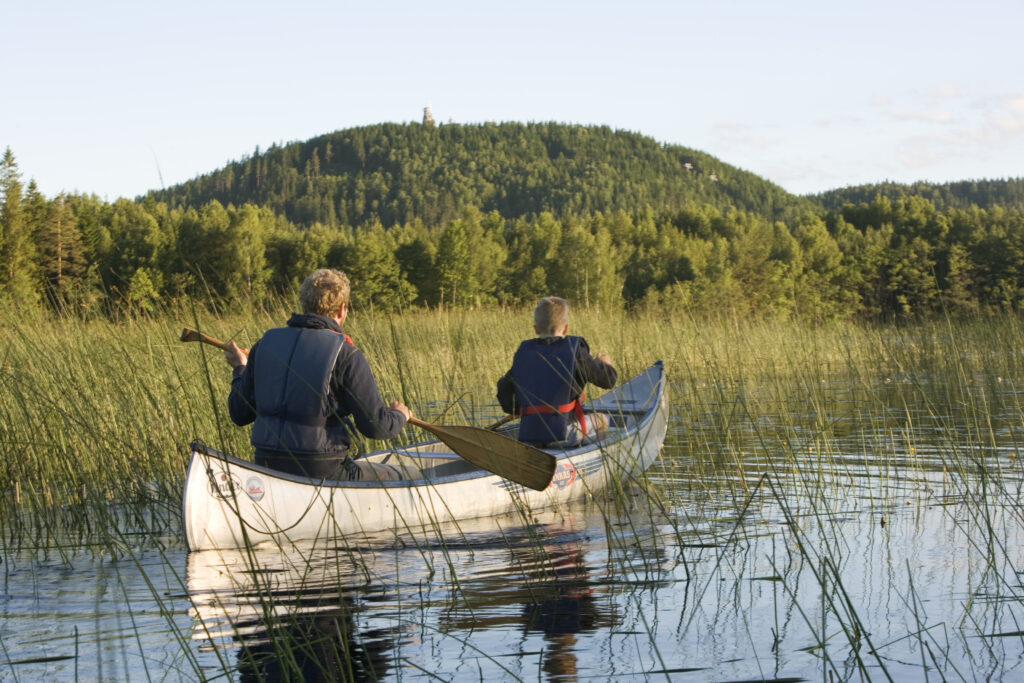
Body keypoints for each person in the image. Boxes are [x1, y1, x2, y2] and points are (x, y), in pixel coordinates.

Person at [223, 268, 410, 481]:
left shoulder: (264, 345)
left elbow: (239, 414)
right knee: (408, 474)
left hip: (267, 467)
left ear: (304, 304)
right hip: (323, 471)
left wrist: (240, 369)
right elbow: (377, 427)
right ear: (342, 310)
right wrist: (399, 415)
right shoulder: (346, 354)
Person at [496, 296, 617, 446]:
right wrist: (605, 365)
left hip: (530, 435)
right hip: (563, 435)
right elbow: (608, 381)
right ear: (566, 328)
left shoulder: (524, 352)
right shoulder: (575, 351)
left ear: (536, 328)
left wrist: (522, 408)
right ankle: (590, 459)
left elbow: (504, 392)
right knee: (602, 420)